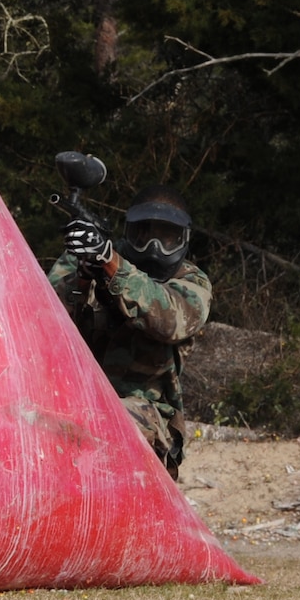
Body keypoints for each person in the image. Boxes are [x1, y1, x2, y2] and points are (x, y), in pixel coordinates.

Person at [49, 185, 211, 481]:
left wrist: (110, 263)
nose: (153, 247)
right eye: (143, 234)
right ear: (129, 232)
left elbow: (169, 319)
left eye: (166, 237)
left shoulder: (191, 282)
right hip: (73, 403)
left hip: (149, 418)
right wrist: (83, 277)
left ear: (183, 240)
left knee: (115, 422)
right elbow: (45, 323)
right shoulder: (84, 260)